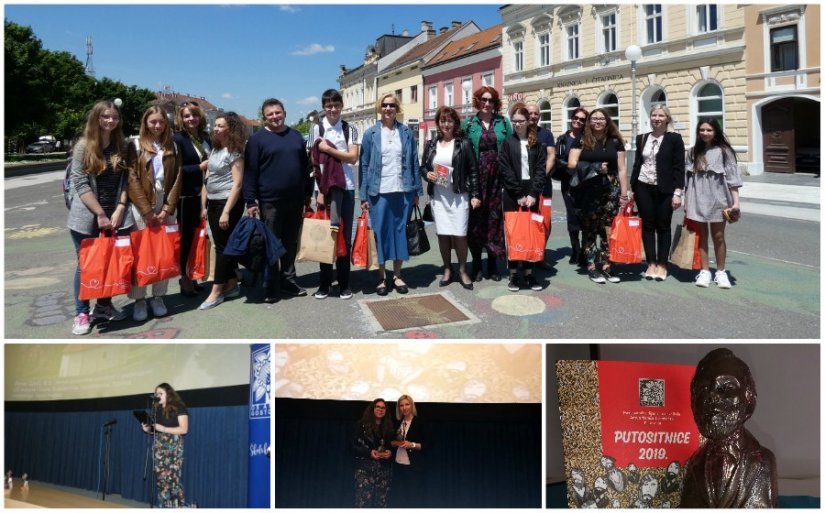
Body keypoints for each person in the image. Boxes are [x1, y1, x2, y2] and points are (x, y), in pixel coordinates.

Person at [66, 101, 134, 335]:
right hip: (87, 217)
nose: (110, 121)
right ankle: (81, 312)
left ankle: (103, 306)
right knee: (86, 265)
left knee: (110, 262)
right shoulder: (83, 146)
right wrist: (100, 214)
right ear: (96, 118)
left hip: (115, 215)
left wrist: (120, 207)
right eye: (105, 117)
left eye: (114, 117)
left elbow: (125, 180)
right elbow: (80, 182)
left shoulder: (121, 145)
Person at [681, 348, 777, 507]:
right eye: (703, 389)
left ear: (748, 397)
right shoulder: (694, 464)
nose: (711, 396)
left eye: (727, 387)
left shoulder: (764, 461)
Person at [244, 98, 312, 303]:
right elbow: (250, 173)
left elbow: (305, 168)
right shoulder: (257, 140)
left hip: (295, 200)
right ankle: (271, 285)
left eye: (278, 112)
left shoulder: (296, 136)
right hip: (270, 202)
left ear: (284, 113)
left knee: (290, 244)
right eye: (270, 114)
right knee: (271, 245)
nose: (275, 117)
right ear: (264, 117)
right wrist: (251, 201)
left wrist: (308, 194)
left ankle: (288, 280)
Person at [358, 93, 422, 296]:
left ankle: (397, 275)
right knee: (380, 233)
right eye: (384, 105)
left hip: (403, 190)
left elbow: (413, 161)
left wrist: (417, 190)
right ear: (380, 107)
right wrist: (364, 196)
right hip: (379, 192)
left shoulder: (406, 132)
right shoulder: (371, 134)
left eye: (392, 105)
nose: (388, 108)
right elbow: (365, 165)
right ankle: (381, 277)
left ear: (397, 108)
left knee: (399, 232)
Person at [127, 105, 183, 321]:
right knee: (141, 253)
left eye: (161, 122)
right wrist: (147, 210)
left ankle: (158, 297)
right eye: (153, 122)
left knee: (164, 252)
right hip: (142, 203)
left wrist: (168, 208)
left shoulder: (173, 146)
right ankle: (139, 300)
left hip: (166, 202)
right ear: (145, 123)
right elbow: (131, 177)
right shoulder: (134, 145)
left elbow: (178, 177)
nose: (157, 126)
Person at [307, 89, 359, 300]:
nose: (333, 109)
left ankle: (345, 283)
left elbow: (352, 158)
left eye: (336, 105)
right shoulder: (316, 129)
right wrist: (318, 191)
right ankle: (324, 284)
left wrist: (328, 150)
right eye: (328, 105)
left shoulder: (350, 129)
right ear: (324, 107)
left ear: (342, 106)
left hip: (346, 188)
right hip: (324, 191)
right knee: (326, 235)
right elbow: (314, 163)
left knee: (344, 236)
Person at [420, 106, 480, 290]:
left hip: (459, 196)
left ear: (455, 123)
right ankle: (447, 269)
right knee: (443, 235)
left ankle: (462, 270)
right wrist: (427, 174)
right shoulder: (431, 144)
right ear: (438, 123)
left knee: (460, 235)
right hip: (438, 197)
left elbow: (473, 171)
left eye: (449, 121)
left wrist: (475, 194)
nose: (446, 124)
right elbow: (423, 166)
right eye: (442, 121)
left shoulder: (464, 143)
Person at [567, 108, 629, 284]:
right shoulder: (581, 139)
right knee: (590, 228)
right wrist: (594, 167)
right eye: (594, 118)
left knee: (608, 228)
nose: (597, 121)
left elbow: (622, 169)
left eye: (601, 118)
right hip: (588, 189)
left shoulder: (615, 141)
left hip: (611, 189)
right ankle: (592, 267)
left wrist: (624, 194)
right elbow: (572, 163)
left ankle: (607, 265)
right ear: (589, 122)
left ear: (607, 121)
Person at [684, 118, 742, 289]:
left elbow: (733, 180)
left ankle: (721, 272)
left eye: (709, 130)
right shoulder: (692, 152)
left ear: (715, 131)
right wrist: (686, 201)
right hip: (697, 198)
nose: (705, 133)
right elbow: (687, 180)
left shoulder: (725, 151)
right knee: (701, 237)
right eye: (702, 130)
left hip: (719, 199)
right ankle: (705, 271)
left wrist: (736, 203)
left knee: (718, 237)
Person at [630, 104, 685, 281]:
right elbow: (637, 163)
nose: (657, 118)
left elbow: (679, 168)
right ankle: (651, 263)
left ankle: (662, 264)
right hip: (643, 185)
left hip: (665, 189)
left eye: (661, 115)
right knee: (647, 225)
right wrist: (632, 189)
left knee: (663, 226)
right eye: (654, 115)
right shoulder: (641, 138)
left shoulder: (674, 139)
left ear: (667, 118)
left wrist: (678, 192)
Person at [463, 86, 512, 282]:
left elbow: (510, 149)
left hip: (497, 179)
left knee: (495, 221)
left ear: (495, 103)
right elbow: (461, 151)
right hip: (476, 178)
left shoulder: (503, 123)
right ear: (477, 101)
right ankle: (476, 264)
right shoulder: (469, 123)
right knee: (475, 222)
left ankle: (492, 264)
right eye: (483, 99)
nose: (487, 103)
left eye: (491, 100)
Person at [198, 112, 246, 310]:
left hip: (228, 203)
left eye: (220, 126)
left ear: (230, 129)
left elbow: (237, 184)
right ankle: (233, 282)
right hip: (213, 202)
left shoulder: (235, 152)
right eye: (215, 125)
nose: (215, 129)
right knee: (221, 244)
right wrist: (204, 205)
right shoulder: (216, 149)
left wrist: (226, 211)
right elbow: (207, 180)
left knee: (222, 248)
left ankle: (216, 291)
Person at [498, 107, 547, 292]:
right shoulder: (508, 143)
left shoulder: (537, 143)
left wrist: (533, 194)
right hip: (513, 193)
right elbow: (505, 169)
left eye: (521, 120)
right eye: (515, 121)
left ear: (528, 121)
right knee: (513, 233)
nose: (517, 124)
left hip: (531, 192)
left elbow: (541, 170)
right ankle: (513, 273)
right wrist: (519, 194)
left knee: (530, 233)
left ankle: (528, 272)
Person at [173, 102, 211, 297]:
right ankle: (184, 278)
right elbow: (174, 170)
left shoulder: (204, 138)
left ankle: (193, 274)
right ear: (181, 118)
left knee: (198, 237)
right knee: (186, 239)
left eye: (194, 115)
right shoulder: (178, 139)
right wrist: (199, 167)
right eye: (187, 116)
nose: (191, 119)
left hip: (204, 195)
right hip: (186, 197)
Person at [141, 382, 189, 508]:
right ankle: (164, 507)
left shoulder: (179, 407)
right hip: (159, 447)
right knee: (161, 480)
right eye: (156, 394)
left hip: (173, 447)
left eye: (160, 393)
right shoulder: (156, 409)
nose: (157, 396)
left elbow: (184, 430)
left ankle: (178, 507)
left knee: (173, 481)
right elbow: (157, 430)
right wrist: (149, 429)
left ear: (169, 394)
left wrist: (164, 428)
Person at [555, 107, 588, 266]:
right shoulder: (562, 139)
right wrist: (566, 166)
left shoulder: (588, 138)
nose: (578, 121)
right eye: (576, 117)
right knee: (572, 216)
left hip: (586, 183)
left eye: (582, 119)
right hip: (568, 182)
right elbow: (556, 158)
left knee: (586, 216)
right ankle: (575, 249)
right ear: (571, 118)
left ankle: (585, 250)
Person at [526, 103, 556, 270]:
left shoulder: (546, 134)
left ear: (539, 116)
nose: (532, 116)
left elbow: (551, 156)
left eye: (535, 113)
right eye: (529, 113)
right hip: (525, 185)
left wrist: (540, 177)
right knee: (527, 219)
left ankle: (540, 253)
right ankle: (526, 252)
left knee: (545, 221)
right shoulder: (520, 132)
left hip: (544, 185)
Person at [353, 398, 394, 507]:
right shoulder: (361, 425)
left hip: (383, 472)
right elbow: (353, 446)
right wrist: (369, 453)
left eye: (383, 407)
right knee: (363, 503)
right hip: (365, 471)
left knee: (381, 504)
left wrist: (390, 453)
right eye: (377, 407)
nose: (380, 409)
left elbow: (392, 447)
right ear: (372, 408)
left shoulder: (389, 428)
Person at [389, 395, 425, 508]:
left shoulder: (420, 422)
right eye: (401, 405)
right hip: (397, 466)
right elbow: (390, 441)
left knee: (413, 499)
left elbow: (428, 445)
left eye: (407, 404)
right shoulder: (396, 423)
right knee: (399, 499)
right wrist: (394, 443)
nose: (404, 408)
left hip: (413, 468)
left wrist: (412, 445)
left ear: (412, 405)